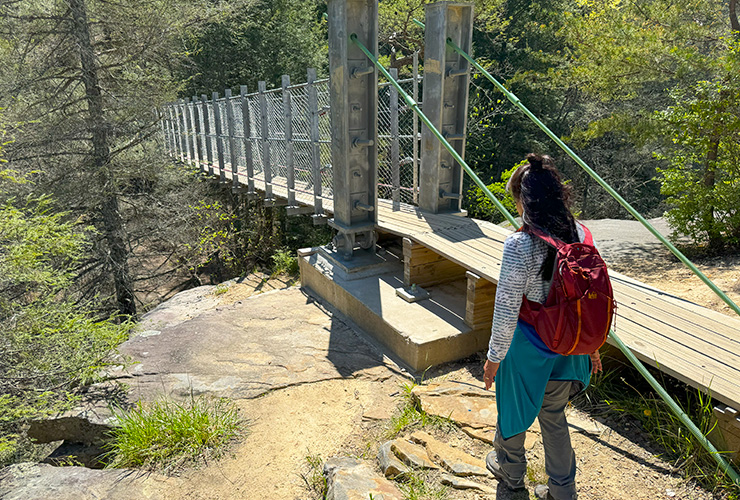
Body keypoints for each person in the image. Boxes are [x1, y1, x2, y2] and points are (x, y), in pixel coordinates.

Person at [483, 153, 602, 500]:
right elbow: (591, 297)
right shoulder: (581, 233)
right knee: (554, 416)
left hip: (528, 348)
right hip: (570, 346)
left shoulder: (519, 245)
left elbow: (506, 309)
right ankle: (563, 490)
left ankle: (512, 472)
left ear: (524, 201)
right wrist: (591, 345)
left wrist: (493, 358)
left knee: (514, 409)